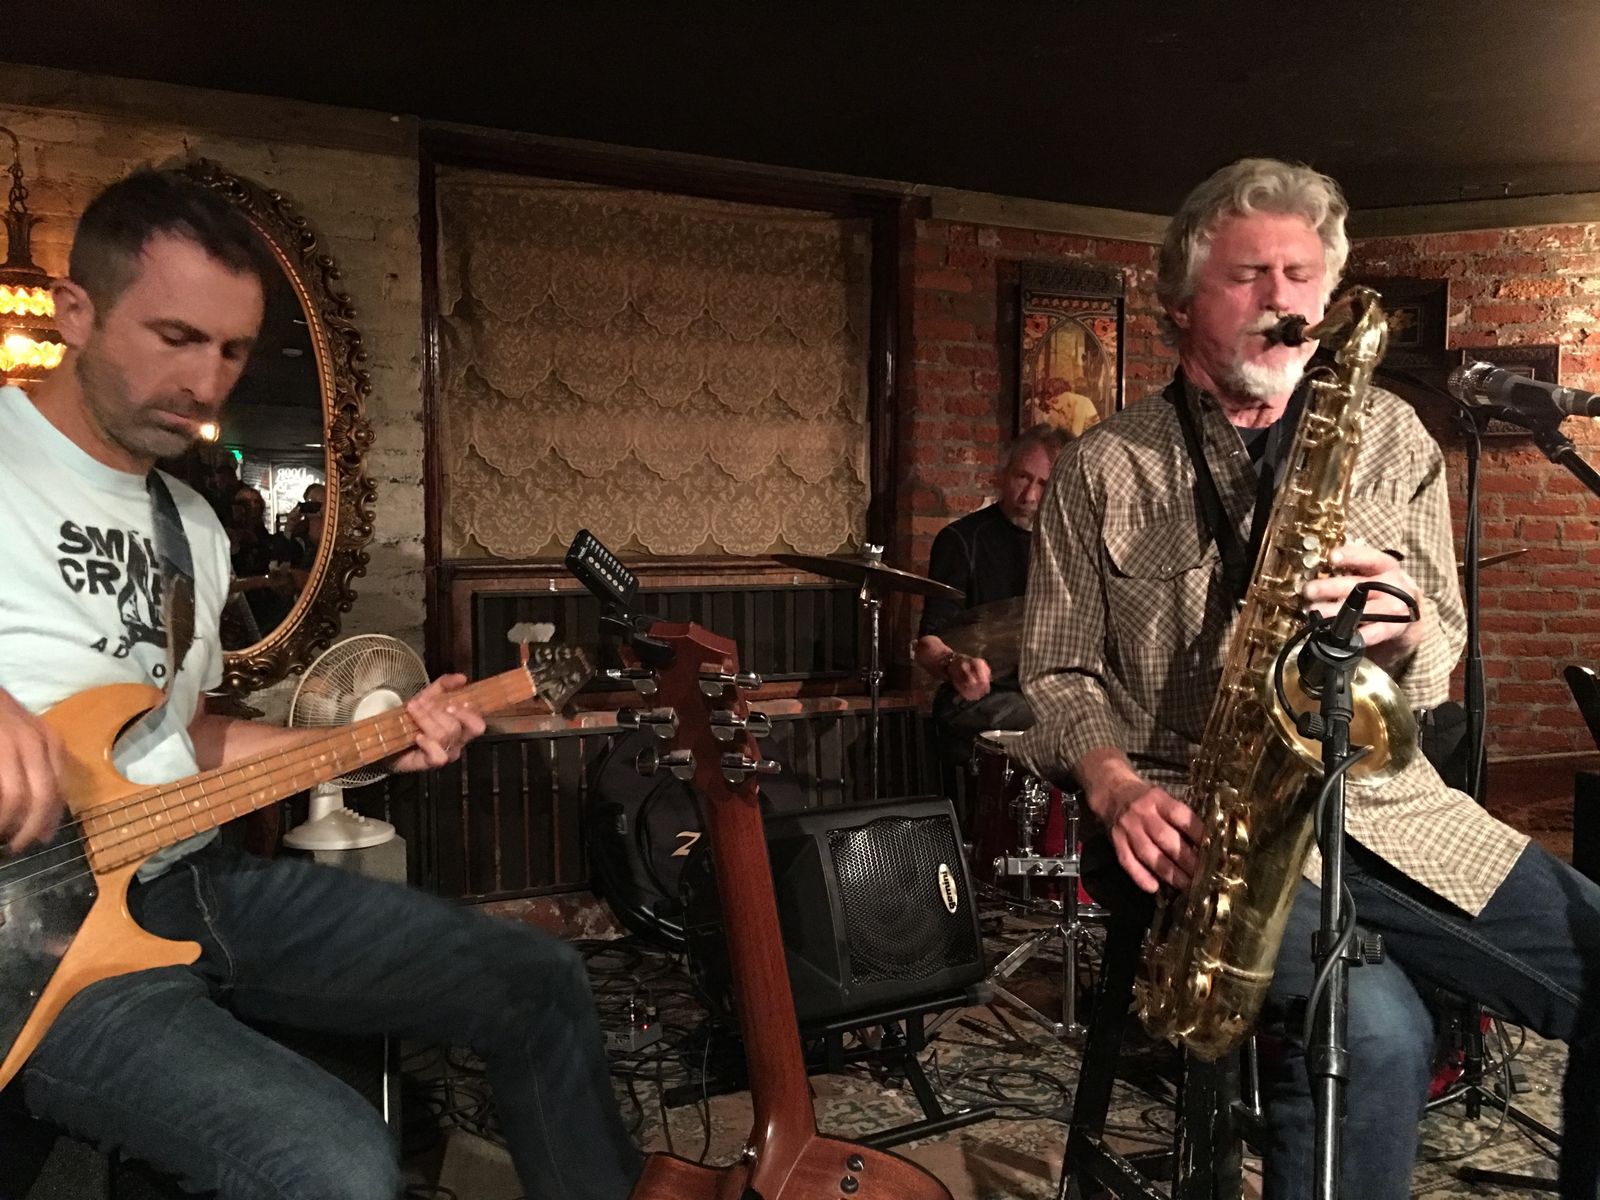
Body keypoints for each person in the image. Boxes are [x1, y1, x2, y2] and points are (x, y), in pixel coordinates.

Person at [0, 170, 642, 1200]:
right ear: (75, 312)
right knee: (337, 1165)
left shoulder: (191, 528)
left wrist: (377, 739)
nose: (205, 382)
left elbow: (183, 738)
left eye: (232, 350)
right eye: (176, 337)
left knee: (538, 980)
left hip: (194, 875)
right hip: (42, 943)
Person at [1017, 157, 1600, 1199]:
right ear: (1182, 300)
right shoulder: (1103, 465)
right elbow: (1058, 673)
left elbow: (1438, 652)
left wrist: (1405, 632)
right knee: (1374, 1039)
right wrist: (1112, 785)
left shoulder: (1392, 437)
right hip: (1191, 819)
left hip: (1388, 807)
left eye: (1300, 276)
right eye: (1248, 275)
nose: (1279, 299)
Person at [913, 423, 1070, 770]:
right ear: (1002, 474)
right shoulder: (962, 540)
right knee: (1060, 721)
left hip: (1049, 695)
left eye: (1044, 484)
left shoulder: (1071, 548)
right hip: (980, 700)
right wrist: (953, 664)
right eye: (1021, 477)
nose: (1029, 496)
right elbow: (927, 644)